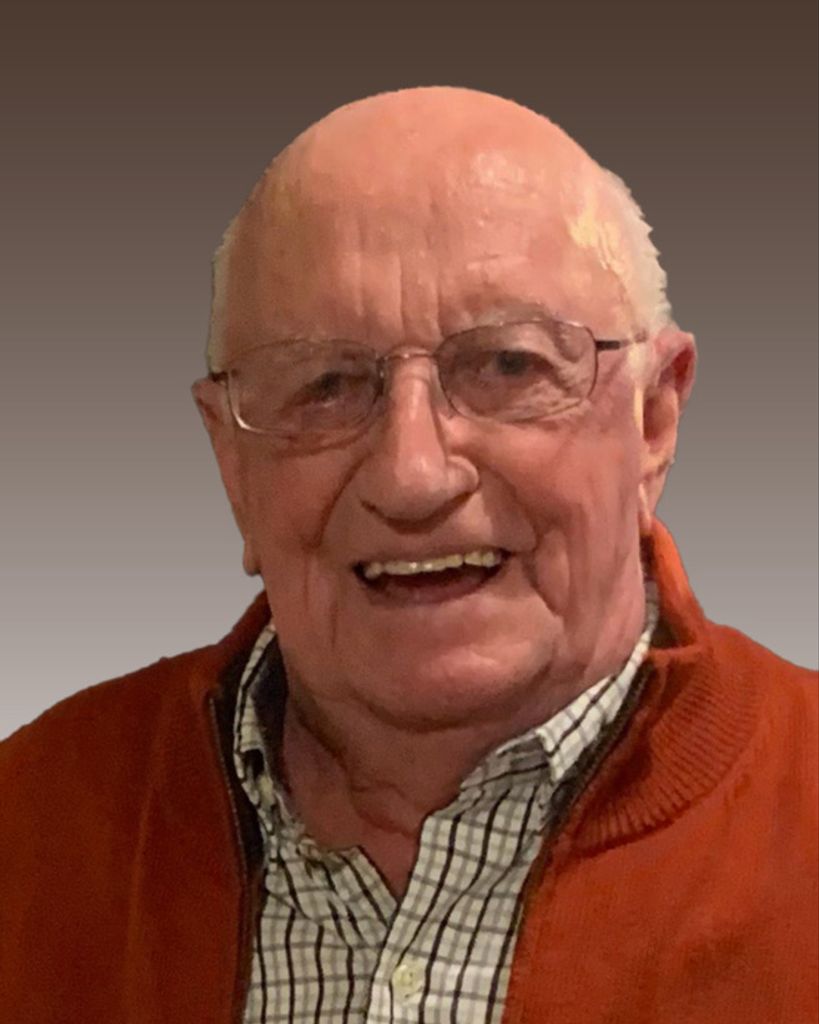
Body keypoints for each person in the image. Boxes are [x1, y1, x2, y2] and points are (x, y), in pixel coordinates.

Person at [1, 86, 816, 1024]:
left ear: (654, 421)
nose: (412, 475)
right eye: (325, 385)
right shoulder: (32, 826)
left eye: (507, 366)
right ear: (231, 462)